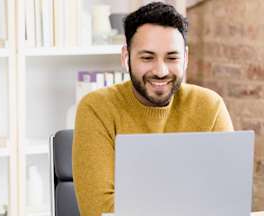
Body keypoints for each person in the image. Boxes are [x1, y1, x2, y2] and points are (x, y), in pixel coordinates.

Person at [73, 2, 233, 216]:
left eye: (172, 57)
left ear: (185, 58)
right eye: (147, 58)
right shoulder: (96, 108)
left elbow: (227, 201)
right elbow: (99, 211)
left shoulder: (210, 106)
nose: (160, 71)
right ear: (126, 57)